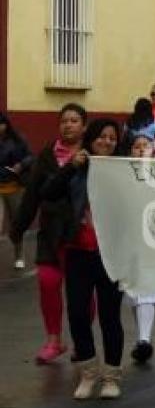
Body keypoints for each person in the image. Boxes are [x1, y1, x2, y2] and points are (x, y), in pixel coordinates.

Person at [41, 118, 124, 399]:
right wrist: (69, 169)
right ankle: (88, 373)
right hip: (78, 254)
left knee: (110, 317)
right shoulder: (78, 168)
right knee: (78, 314)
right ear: (91, 138)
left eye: (112, 138)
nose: (106, 142)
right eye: (101, 137)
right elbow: (48, 193)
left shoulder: (124, 171)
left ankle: (111, 376)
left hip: (112, 256)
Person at [12, 104, 87, 364]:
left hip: (81, 232)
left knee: (83, 294)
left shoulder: (94, 154)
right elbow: (33, 193)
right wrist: (19, 227)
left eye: (74, 120)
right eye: (64, 120)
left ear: (84, 126)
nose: (68, 125)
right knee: (47, 282)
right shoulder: (46, 156)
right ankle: (54, 340)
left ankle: (82, 342)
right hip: (51, 232)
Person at [121, 135, 155, 364]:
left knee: (148, 289)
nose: (140, 151)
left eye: (145, 147)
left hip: (153, 241)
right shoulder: (122, 176)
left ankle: (145, 339)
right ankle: (142, 339)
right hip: (128, 241)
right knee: (134, 292)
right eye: (136, 147)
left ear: (153, 152)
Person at [0, 113, 33, 269]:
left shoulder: (17, 139)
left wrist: (20, 165)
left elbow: (30, 157)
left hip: (14, 187)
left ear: (6, 125)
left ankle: (19, 255)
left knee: (16, 223)